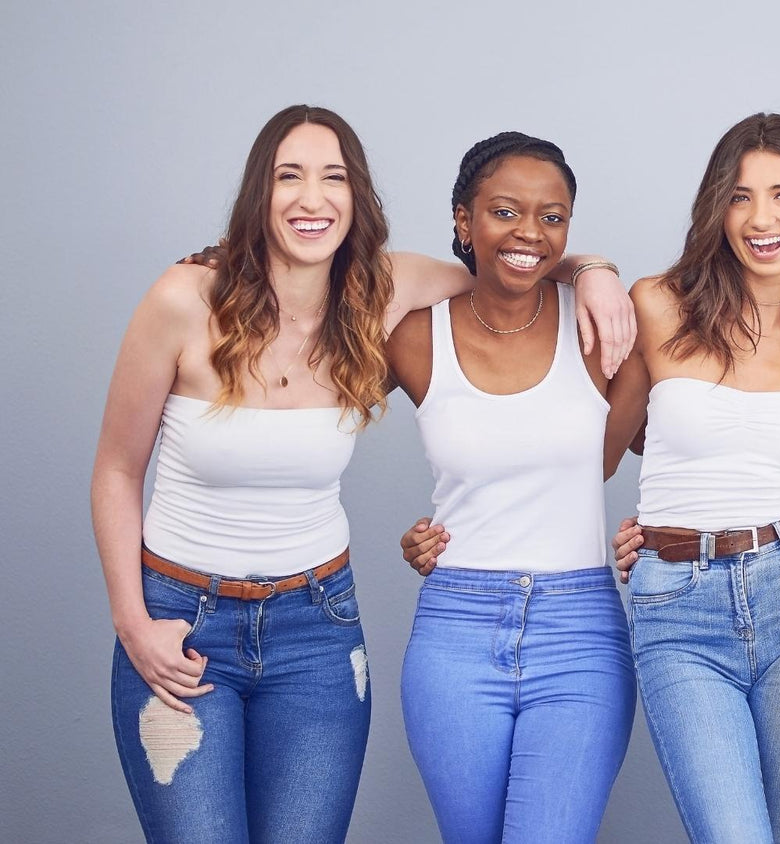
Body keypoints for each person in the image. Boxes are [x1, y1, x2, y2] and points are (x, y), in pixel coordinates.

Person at [93, 105, 630, 843]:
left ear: (357, 199)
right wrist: (133, 623)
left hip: (318, 630)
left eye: (333, 178)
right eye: (290, 177)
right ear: (261, 192)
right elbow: (118, 471)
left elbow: (513, 263)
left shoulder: (381, 294)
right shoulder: (183, 300)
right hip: (184, 625)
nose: (312, 198)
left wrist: (594, 270)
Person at [409, 113, 780, 844]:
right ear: (717, 206)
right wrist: (588, 266)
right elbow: (598, 451)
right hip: (677, 598)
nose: (761, 218)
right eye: (740, 196)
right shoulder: (657, 304)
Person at [385, 131, 636, 844]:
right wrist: (228, 261)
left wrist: (595, 270)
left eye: (552, 217)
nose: (530, 232)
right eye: (504, 211)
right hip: (456, 625)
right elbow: (310, 403)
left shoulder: (600, 331)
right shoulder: (411, 335)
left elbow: (640, 454)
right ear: (463, 219)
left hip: (579, 626)